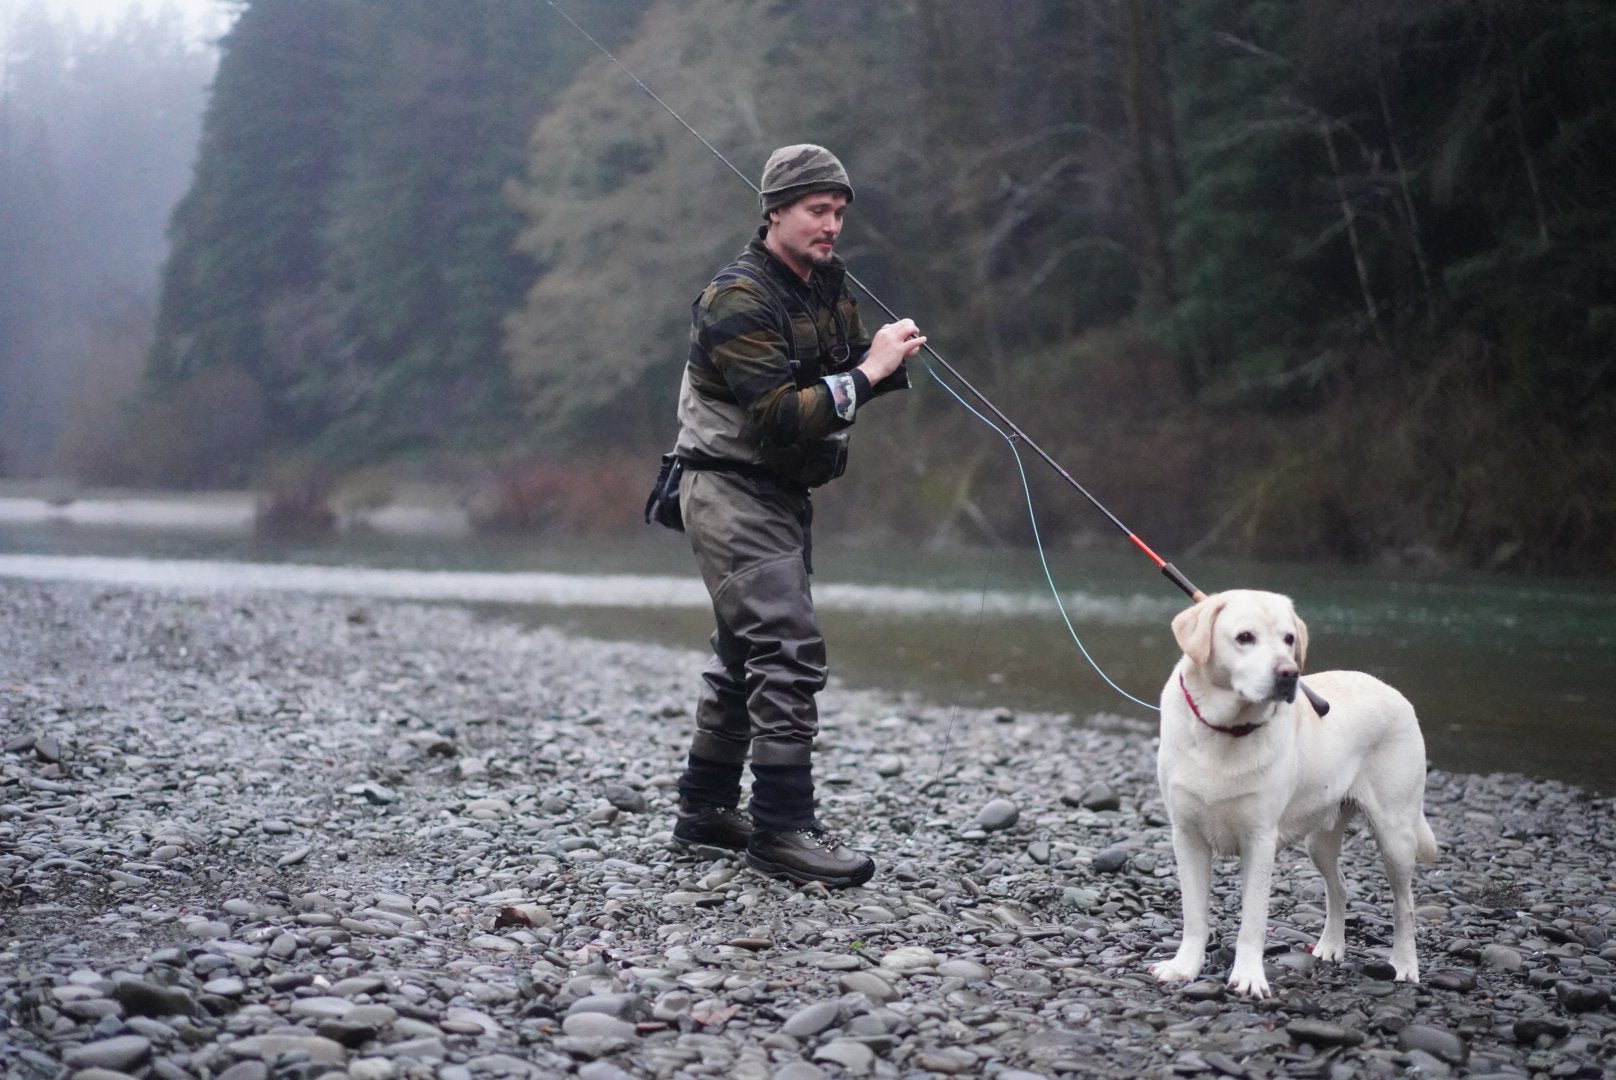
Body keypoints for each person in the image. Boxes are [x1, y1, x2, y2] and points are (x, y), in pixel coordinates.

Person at [668, 144, 926, 888]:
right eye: (818, 210)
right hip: (729, 489)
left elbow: (838, 376)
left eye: (840, 212)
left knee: (746, 652)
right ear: (774, 210)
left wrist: (883, 363)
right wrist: (872, 370)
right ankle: (781, 829)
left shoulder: (825, 285)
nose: (831, 225)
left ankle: (706, 811)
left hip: (778, 495)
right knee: (787, 648)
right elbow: (782, 415)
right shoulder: (736, 298)